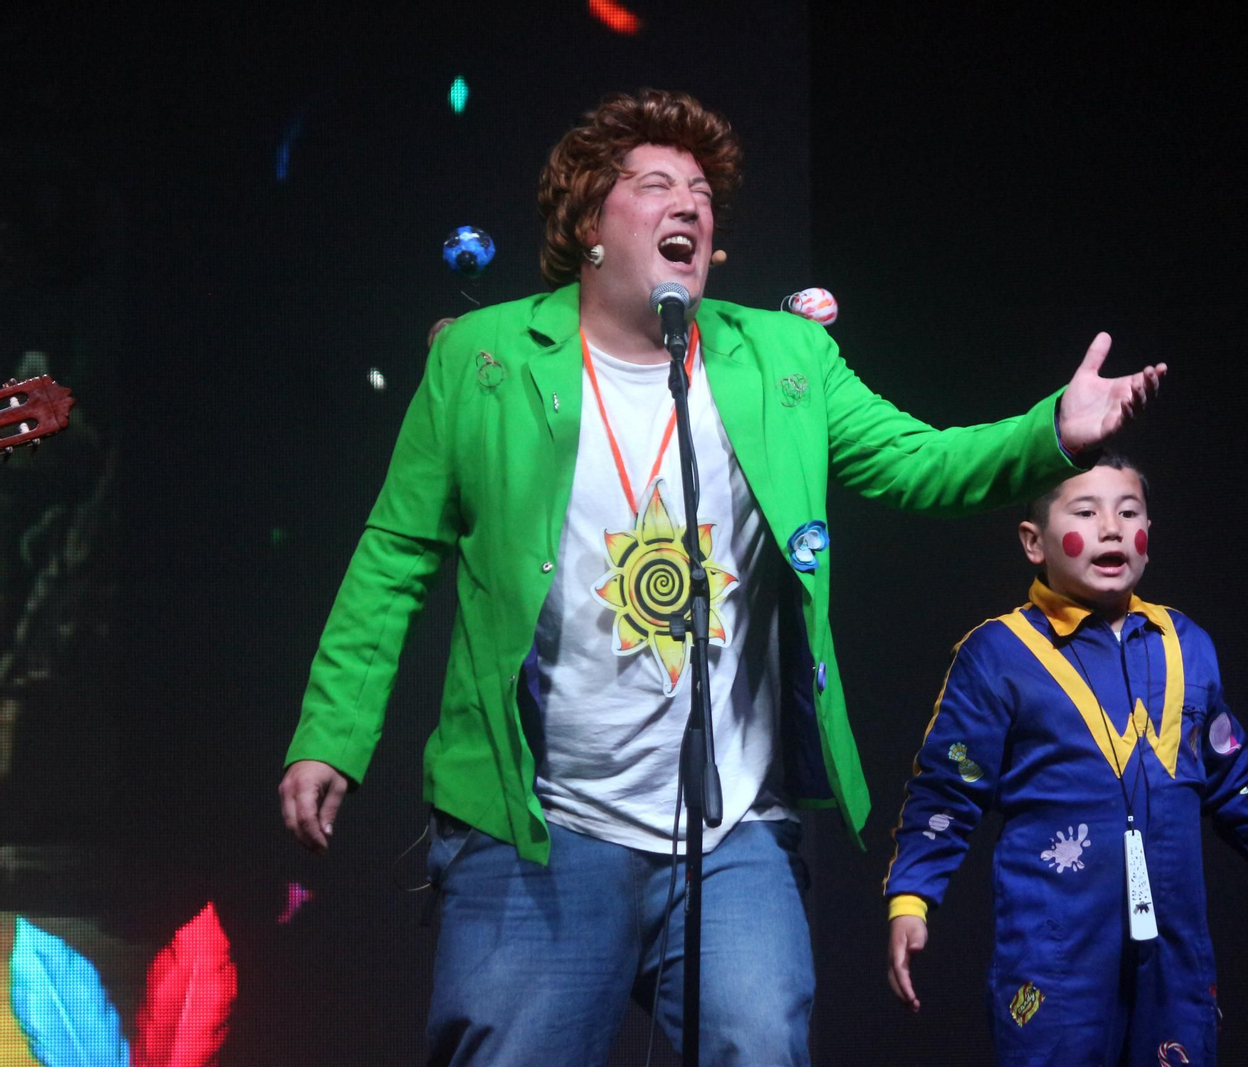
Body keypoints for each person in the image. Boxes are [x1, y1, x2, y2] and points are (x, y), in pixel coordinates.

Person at [277, 88, 1166, 1067]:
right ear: (589, 227)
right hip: (541, 825)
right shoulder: (483, 360)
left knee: (761, 1039)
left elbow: (918, 461)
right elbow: (394, 551)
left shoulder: (784, 357)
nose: (687, 204)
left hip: (729, 828)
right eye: (655, 185)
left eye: (700, 192)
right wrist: (332, 732)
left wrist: (1053, 430)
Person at [882, 455, 1248, 1067]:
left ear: (1148, 535)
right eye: (1086, 512)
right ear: (1034, 542)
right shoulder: (998, 654)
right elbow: (947, 790)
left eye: (1127, 512)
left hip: (1174, 957)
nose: (1111, 528)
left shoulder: (1185, 644)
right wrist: (911, 900)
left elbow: (1234, 776)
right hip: (1055, 959)